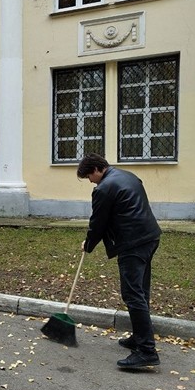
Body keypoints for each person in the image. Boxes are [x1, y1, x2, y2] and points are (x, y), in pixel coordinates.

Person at [77, 153, 162, 369]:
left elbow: (98, 222)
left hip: (133, 243)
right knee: (141, 292)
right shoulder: (128, 176)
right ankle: (139, 337)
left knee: (133, 294)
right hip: (150, 237)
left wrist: (89, 244)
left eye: (89, 177)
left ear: (96, 170)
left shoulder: (104, 188)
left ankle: (146, 351)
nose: (90, 181)